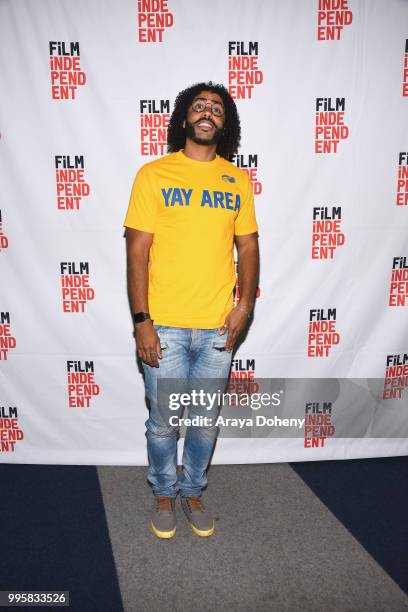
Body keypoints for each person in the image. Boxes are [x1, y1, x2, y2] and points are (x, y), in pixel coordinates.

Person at [124, 81, 259, 539]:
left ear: (225, 124)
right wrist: (142, 321)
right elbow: (137, 251)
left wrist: (244, 306)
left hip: (219, 328)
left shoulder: (236, 179)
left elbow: (249, 246)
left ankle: (194, 490)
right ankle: (164, 492)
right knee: (163, 422)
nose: (207, 113)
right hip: (165, 326)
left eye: (216, 109)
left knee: (203, 421)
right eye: (199, 107)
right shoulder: (154, 175)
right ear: (184, 118)